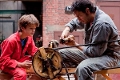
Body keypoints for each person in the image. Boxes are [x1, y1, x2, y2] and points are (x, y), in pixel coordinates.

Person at [59, 0, 120, 80]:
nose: (78, 19)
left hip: (110, 57)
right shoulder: (89, 17)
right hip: (96, 54)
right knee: (61, 54)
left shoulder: (102, 24)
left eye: (79, 16)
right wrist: (66, 31)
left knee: (83, 68)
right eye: (77, 16)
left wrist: (74, 44)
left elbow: (95, 52)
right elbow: (75, 22)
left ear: (87, 11)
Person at [0, 14, 40, 80]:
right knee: (21, 75)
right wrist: (20, 64)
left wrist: (42, 55)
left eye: (34, 28)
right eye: (31, 28)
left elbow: (33, 51)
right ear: (22, 28)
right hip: (7, 65)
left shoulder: (29, 37)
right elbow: (3, 60)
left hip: (19, 60)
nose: (33, 31)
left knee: (37, 64)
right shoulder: (11, 40)